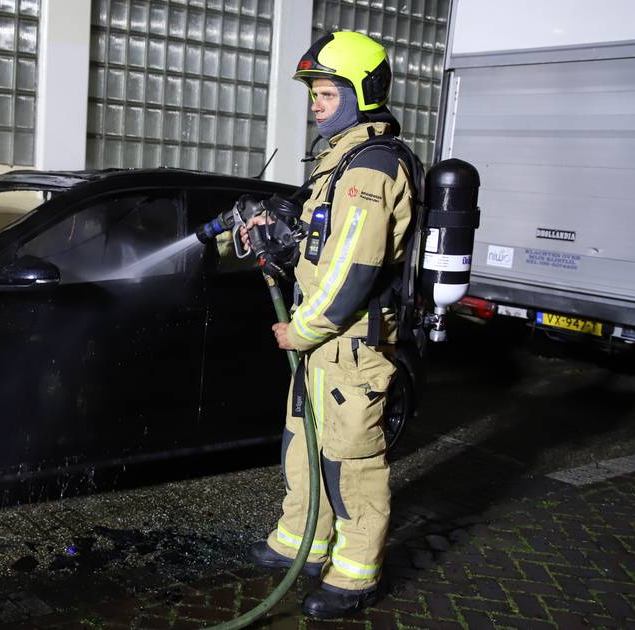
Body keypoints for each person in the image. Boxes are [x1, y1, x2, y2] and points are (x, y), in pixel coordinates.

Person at [241, 30, 414, 619]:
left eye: (327, 91)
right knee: (303, 446)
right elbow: (320, 248)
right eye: (313, 93)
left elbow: (351, 268)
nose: (316, 103)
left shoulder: (371, 166)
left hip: (348, 344)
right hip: (326, 345)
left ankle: (357, 571)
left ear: (363, 92)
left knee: (350, 460)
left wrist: (303, 329)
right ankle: (303, 544)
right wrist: (278, 240)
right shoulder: (337, 161)